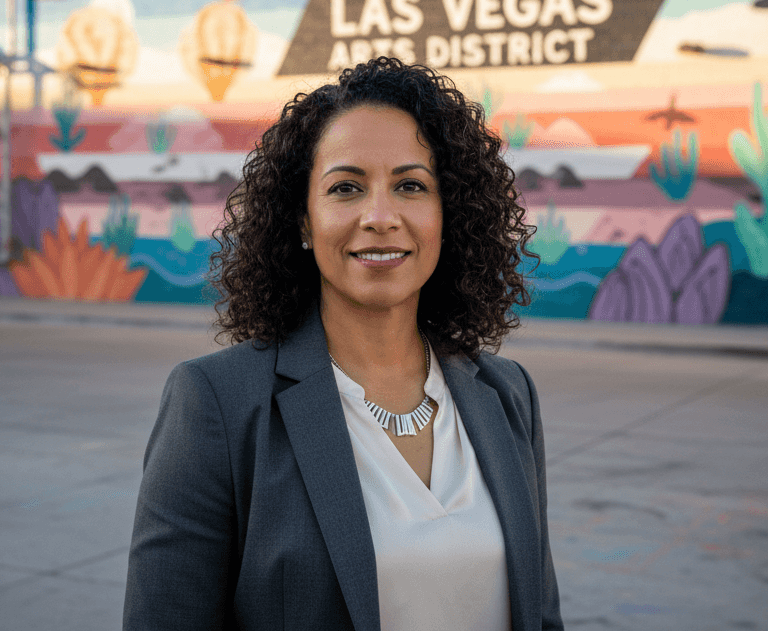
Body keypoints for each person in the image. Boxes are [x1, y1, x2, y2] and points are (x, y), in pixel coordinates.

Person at [124, 57, 563, 631]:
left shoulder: (508, 395)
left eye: (411, 185)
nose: (380, 216)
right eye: (346, 188)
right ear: (303, 220)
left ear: (446, 213)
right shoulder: (216, 402)